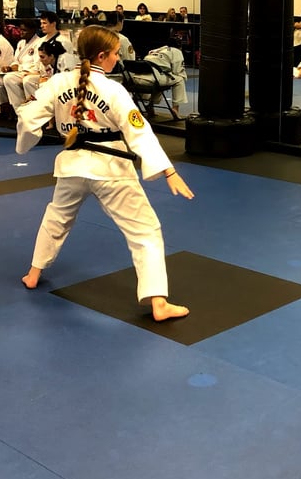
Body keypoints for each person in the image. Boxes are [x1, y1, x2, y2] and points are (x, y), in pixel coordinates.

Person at [15, 25, 194, 322]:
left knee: (56, 217)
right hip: (111, 169)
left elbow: (28, 115)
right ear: (102, 56)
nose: (117, 58)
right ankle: (158, 303)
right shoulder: (113, 90)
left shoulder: (58, 82)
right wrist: (169, 170)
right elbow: (138, 132)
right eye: (115, 54)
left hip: (72, 166)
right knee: (145, 230)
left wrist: (25, 142)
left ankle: (33, 273)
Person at [137, 42, 188, 120]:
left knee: (161, 79)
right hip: (152, 80)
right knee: (179, 80)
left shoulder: (157, 50)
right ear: (180, 47)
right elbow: (177, 71)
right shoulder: (177, 51)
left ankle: (150, 106)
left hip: (136, 79)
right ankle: (175, 108)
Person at [3, 18, 43, 113]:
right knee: (8, 78)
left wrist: (23, 69)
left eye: (24, 30)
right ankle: (19, 109)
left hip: (33, 72)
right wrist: (11, 67)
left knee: (25, 80)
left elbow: (38, 64)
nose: (21, 32)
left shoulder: (39, 43)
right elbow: (16, 60)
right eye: (20, 29)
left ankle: (33, 110)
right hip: (21, 71)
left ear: (32, 31)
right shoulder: (21, 43)